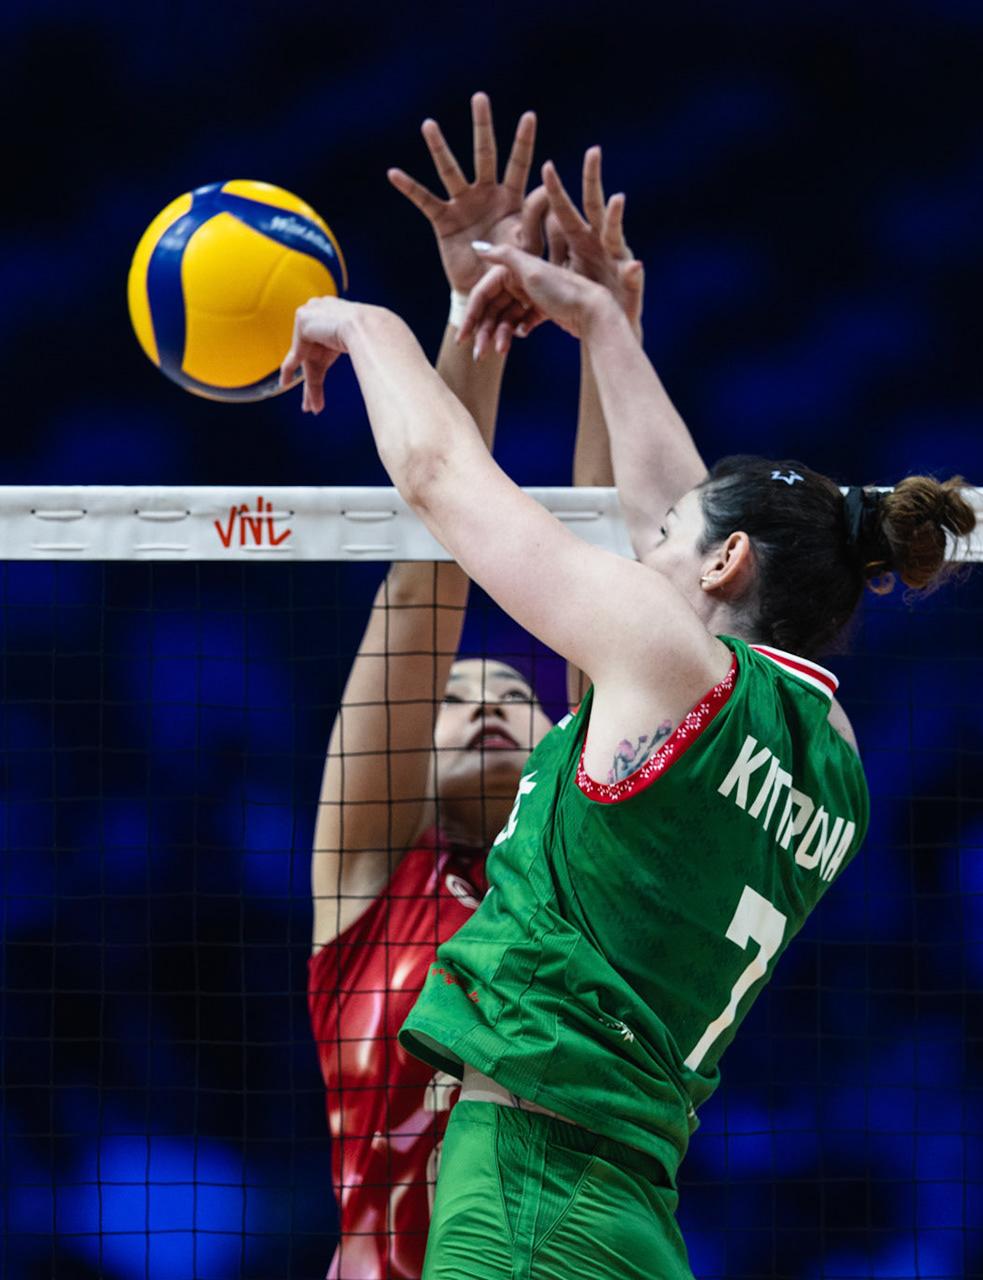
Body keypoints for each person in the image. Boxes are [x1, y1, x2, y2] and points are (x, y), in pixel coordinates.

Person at [280, 163, 977, 1278]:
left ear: (726, 562)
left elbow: (435, 467)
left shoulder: (666, 665)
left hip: (523, 1191)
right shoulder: (834, 759)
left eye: (664, 543)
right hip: (628, 1207)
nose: (638, 548)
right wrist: (605, 325)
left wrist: (362, 320)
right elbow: (675, 514)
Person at [304, 97, 641, 1279]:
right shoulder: (362, 889)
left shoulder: (584, 876)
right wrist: (471, 323)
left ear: (566, 738)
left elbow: (616, 603)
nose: (490, 698)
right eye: (461, 696)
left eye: (518, 691)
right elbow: (425, 581)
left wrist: (611, 340)